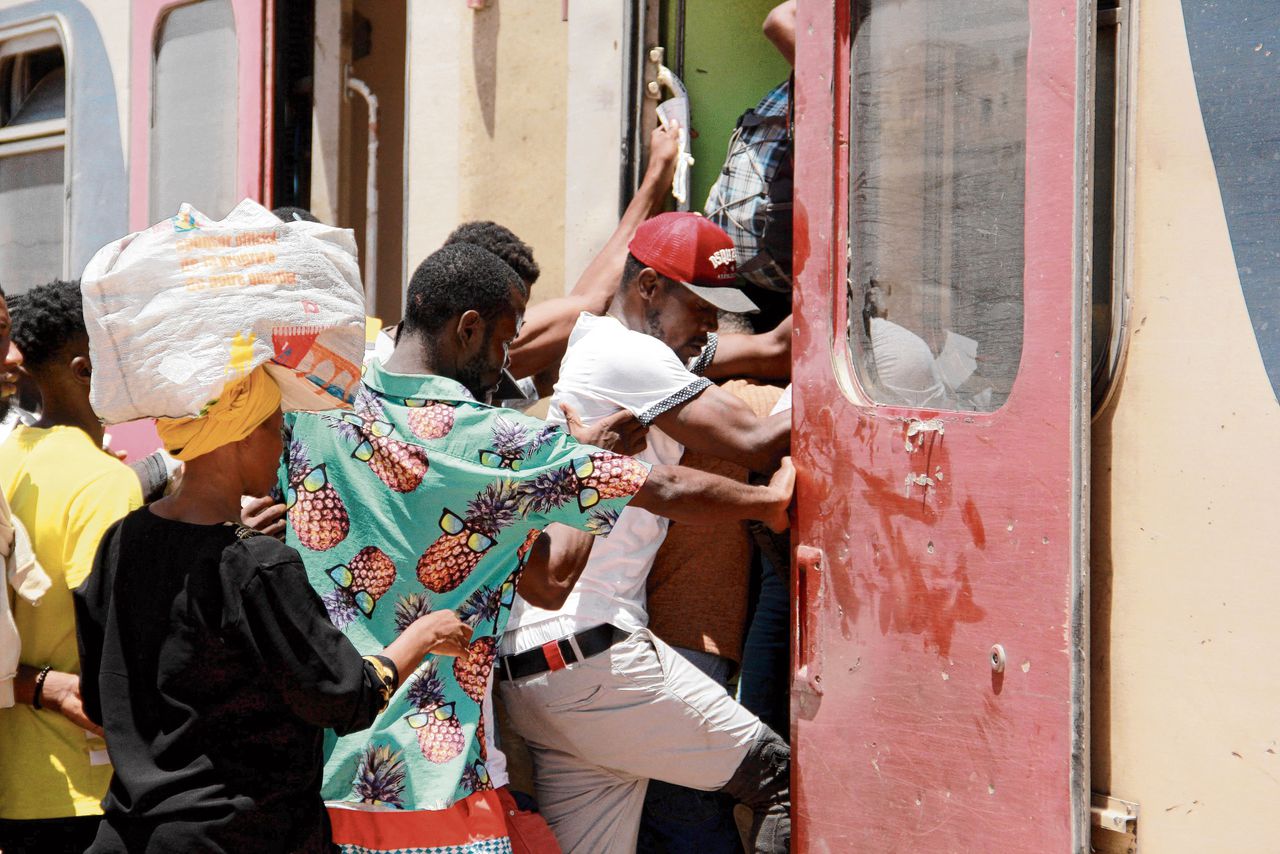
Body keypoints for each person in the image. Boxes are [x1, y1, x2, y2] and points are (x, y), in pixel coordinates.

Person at [281, 243, 792, 853]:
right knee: (780, 780)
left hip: (324, 763)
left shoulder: (318, 414)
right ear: (468, 329)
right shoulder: (496, 440)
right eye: (503, 341)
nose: (506, 364)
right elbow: (659, 494)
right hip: (431, 776)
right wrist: (765, 501)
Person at [72, 363, 471, 853]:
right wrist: (425, 635)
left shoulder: (124, 539)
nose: (283, 446)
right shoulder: (256, 565)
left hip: (130, 836)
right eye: (275, 428)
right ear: (240, 435)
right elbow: (344, 695)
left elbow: (100, 697)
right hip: (238, 836)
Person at [498, 211, 792, 854]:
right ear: (649, 288)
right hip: (594, 658)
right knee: (783, 784)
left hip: (540, 675)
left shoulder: (603, 341)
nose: (712, 326)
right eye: (702, 307)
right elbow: (755, 437)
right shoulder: (633, 355)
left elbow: (768, 350)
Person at [0, 280, 143, 853]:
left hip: (16, 782)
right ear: (87, 369)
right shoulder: (105, 484)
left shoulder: (8, 460)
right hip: (85, 787)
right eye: (124, 355)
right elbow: (121, 651)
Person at [638, 376, 785, 853]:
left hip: (644, 642)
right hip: (692, 643)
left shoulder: (646, 398)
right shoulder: (748, 404)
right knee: (688, 812)